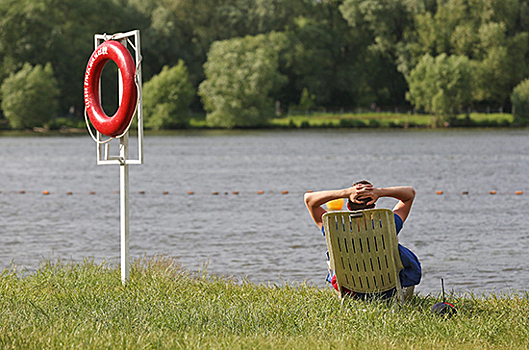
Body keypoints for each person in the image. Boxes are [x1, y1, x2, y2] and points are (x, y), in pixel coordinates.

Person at [304, 180, 421, 298]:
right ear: (373, 205)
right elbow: (409, 194)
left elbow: (309, 200)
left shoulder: (335, 228)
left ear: (348, 205)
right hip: (388, 289)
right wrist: (380, 192)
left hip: (351, 289)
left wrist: (345, 192)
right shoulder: (388, 225)